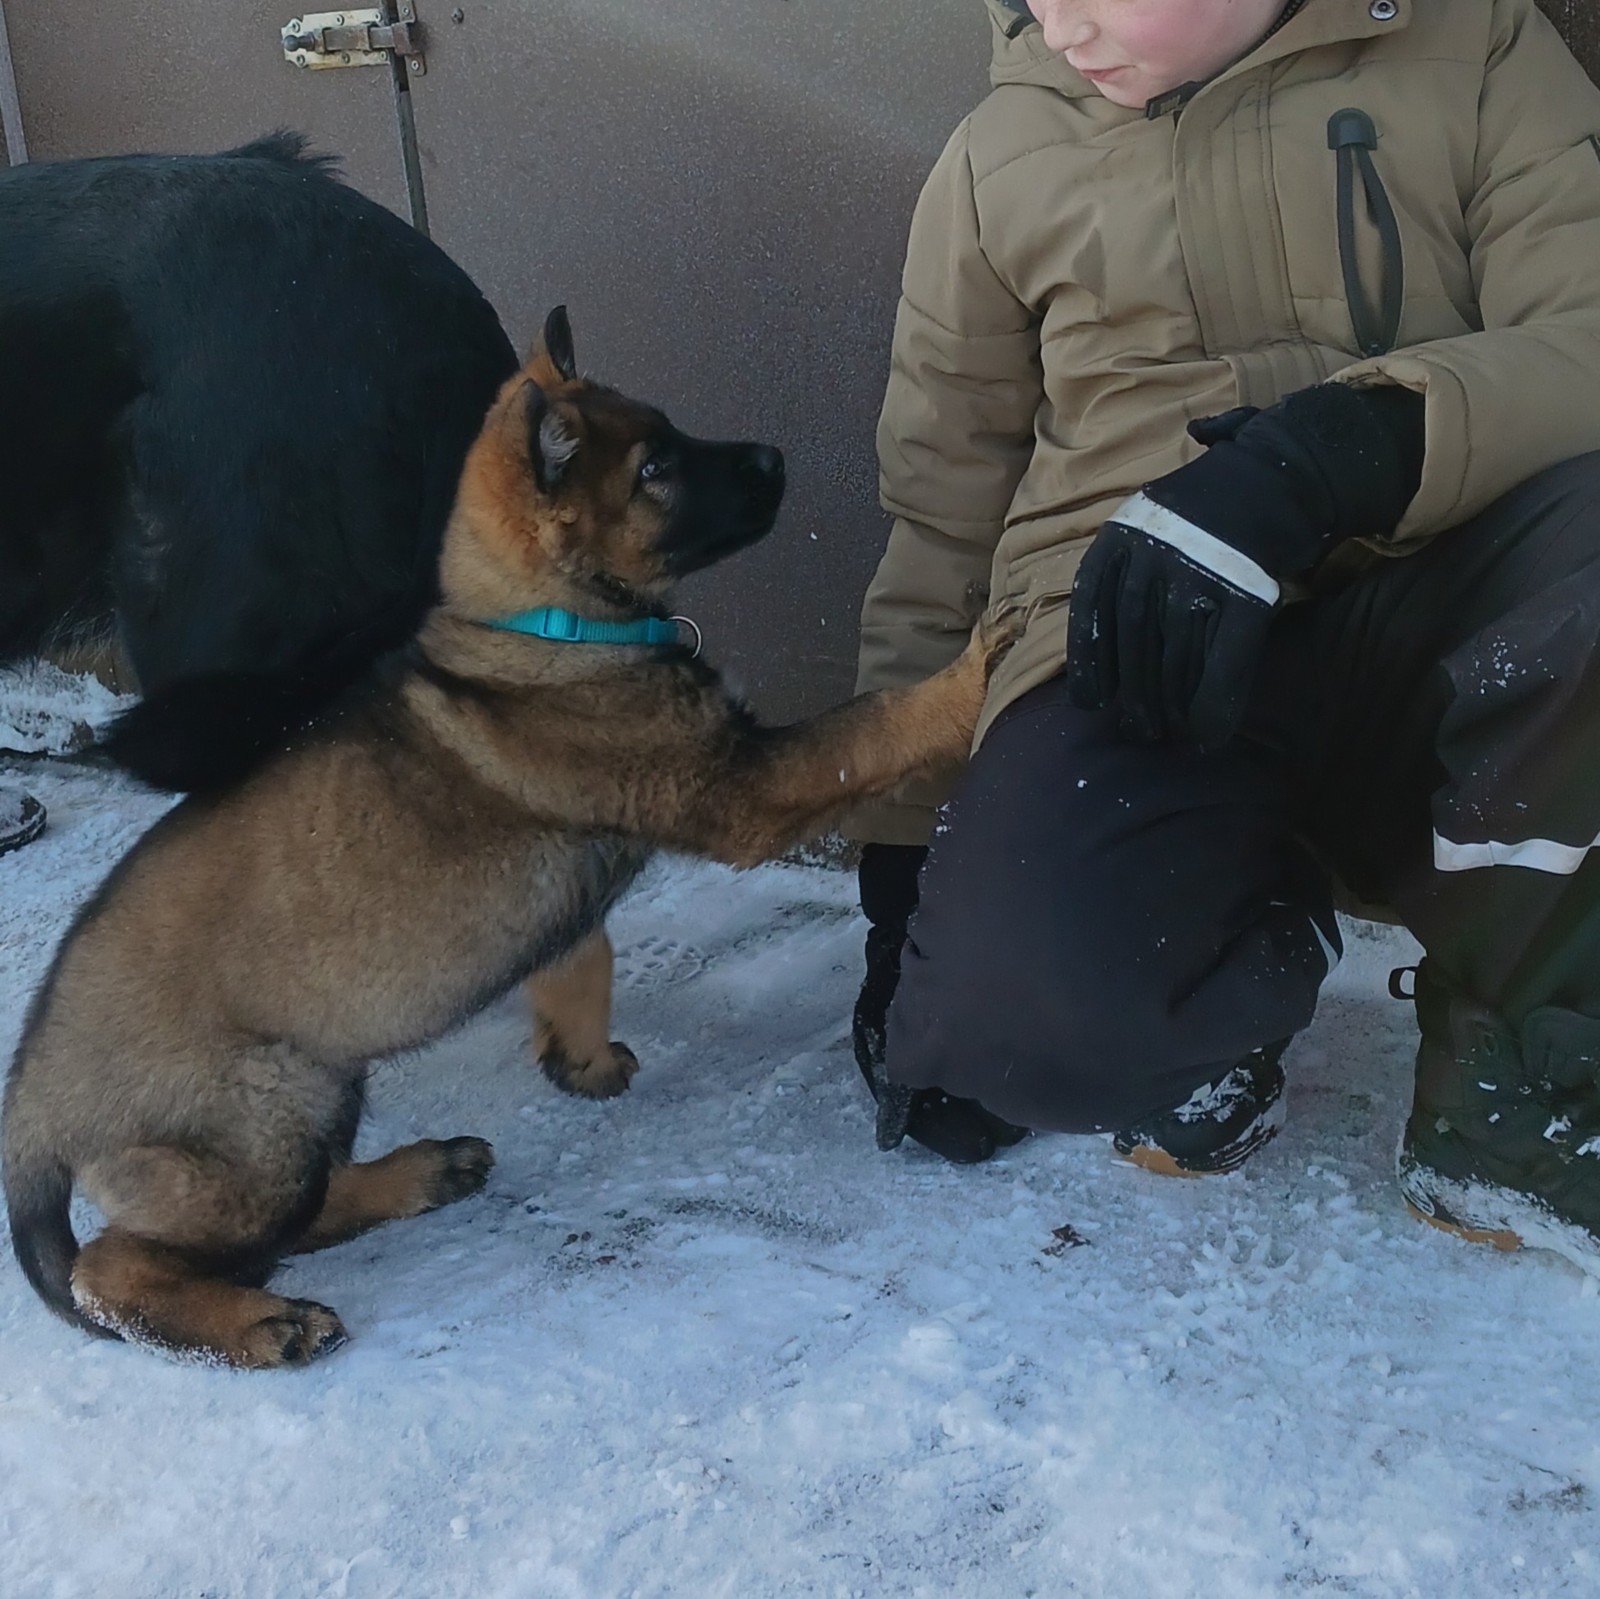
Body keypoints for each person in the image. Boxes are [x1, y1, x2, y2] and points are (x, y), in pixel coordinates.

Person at [848, 0, 1600, 1272]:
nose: (1053, 22)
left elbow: (1585, 335)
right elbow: (940, 516)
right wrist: (902, 869)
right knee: (1011, 1017)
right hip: (1137, 644)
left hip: (1445, 594)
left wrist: (1352, 448)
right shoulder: (997, 155)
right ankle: (1221, 969)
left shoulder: (1472, 46)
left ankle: (1523, 1094)